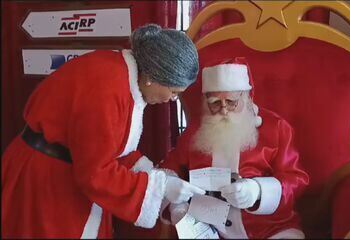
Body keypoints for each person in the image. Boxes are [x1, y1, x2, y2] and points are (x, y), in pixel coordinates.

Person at [1, 24, 205, 238]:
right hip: (44, 181)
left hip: (64, 171)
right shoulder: (107, 90)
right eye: (173, 92)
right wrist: (159, 188)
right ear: (152, 77)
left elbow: (110, 150)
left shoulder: (123, 75)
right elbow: (95, 172)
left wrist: (155, 176)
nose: (171, 100)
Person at [158, 57, 310, 239]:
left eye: (231, 102)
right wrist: (178, 205)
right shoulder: (196, 132)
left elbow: (296, 179)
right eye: (215, 103)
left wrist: (258, 191)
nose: (224, 110)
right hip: (210, 231)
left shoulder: (276, 128)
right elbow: (169, 169)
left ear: (246, 97)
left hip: (271, 229)